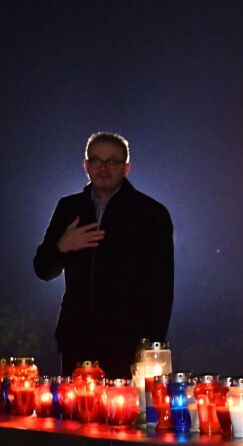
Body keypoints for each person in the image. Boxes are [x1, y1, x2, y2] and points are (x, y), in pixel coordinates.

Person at [34, 132, 174, 377]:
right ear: (86, 165)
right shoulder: (69, 208)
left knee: (128, 414)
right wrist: (61, 247)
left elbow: (162, 287)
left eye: (112, 162)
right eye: (96, 160)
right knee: (75, 413)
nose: (103, 168)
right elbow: (43, 270)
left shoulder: (150, 214)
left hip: (129, 343)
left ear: (126, 167)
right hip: (77, 339)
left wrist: (151, 345)